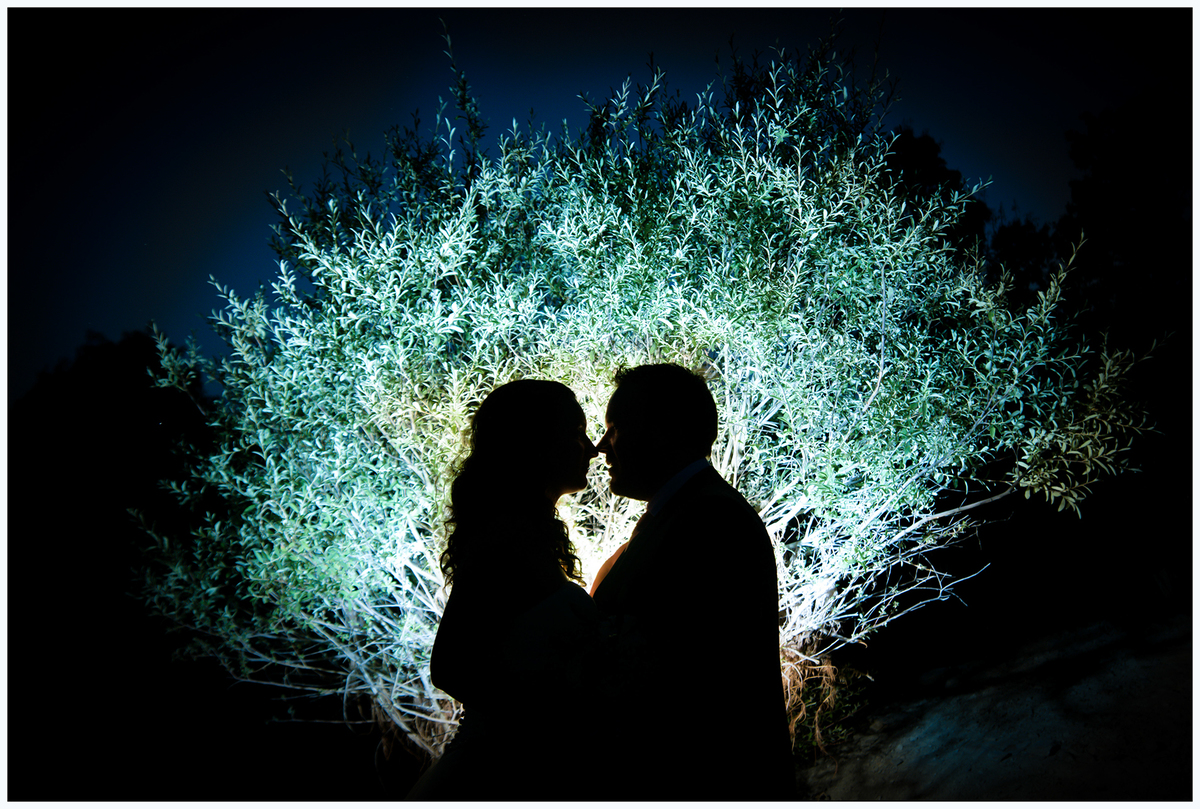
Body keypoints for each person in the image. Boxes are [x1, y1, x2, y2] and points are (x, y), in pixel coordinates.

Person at [588, 363, 795, 800]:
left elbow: (689, 679)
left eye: (615, 429)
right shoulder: (689, 512)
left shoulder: (710, 520)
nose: (602, 446)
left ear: (663, 430)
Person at [405, 378, 603, 800]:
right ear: (539, 445)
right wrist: (544, 723)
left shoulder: (528, 535)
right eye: (577, 434)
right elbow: (450, 666)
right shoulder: (503, 540)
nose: (592, 449)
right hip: (484, 777)